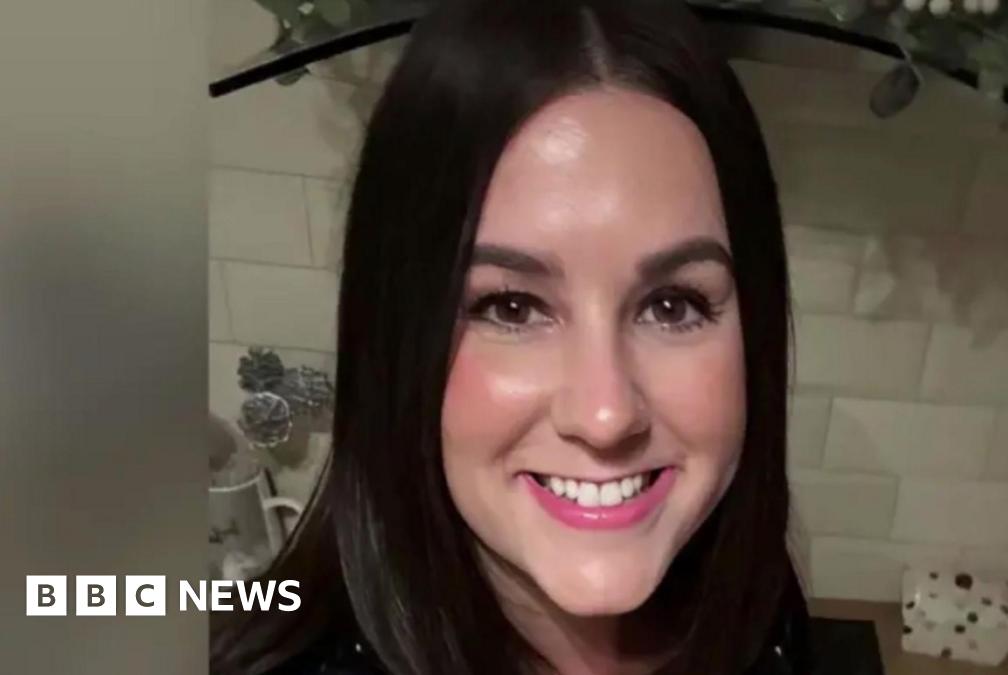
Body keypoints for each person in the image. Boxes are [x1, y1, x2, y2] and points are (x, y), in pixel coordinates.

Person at [211, 0, 812, 672]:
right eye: (513, 307)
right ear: (398, 337)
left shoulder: (754, 607)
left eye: (672, 305)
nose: (605, 414)